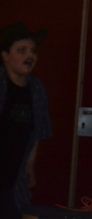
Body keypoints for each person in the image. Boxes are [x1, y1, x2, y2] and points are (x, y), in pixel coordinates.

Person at [0, 22, 51, 219]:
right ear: (5, 55)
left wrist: (30, 166)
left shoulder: (36, 90)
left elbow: (37, 132)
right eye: (21, 50)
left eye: (33, 51)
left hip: (14, 180)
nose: (30, 56)